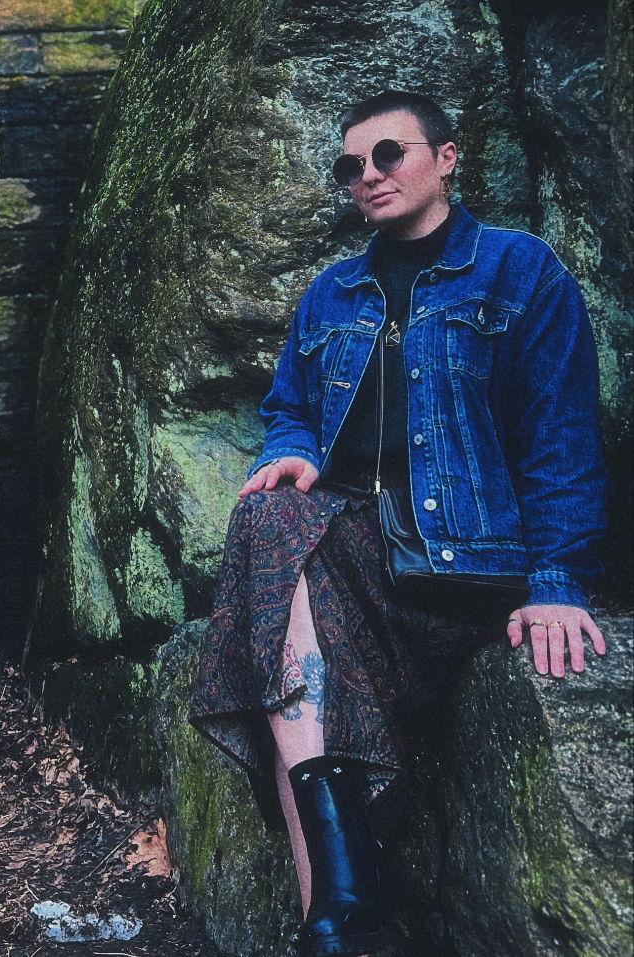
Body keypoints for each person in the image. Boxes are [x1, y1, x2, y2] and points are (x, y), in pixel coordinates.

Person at [186, 90, 610, 957]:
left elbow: (560, 437)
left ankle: (341, 905)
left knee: (271, 593)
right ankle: (339, 914)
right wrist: (293, 448)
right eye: (351, 166)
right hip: (357, 560)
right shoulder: (330, 292)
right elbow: (288, 408)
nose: (368, 176)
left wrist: (556, 583)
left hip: (470, 566)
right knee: (268, 515)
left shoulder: (519, 270)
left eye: (389, 154)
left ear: (446, 158)